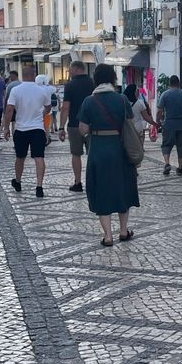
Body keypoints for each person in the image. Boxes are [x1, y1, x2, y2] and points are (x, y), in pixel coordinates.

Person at [77, 63, 139, 246]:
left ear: (95, 80)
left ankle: (107, 236)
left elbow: (83, 129)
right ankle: (123, 230)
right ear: (113, 78)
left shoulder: (89, 101)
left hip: (98, 150)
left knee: (101, 189)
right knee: (123, 188)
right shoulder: (121, 99)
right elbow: (130, 123)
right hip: (120, 149)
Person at [2, 65, 51, 198]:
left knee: (20, 157)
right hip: (38, 129)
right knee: (39, 157)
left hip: (21, 129)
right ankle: (39, 186)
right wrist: (42, 114)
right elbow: (48, 107)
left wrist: (6, 127)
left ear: (23, 75)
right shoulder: (42, 91)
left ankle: (18, 181)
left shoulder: (16, 90)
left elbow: (9, 109)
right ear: (34, 75)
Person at [58, 60, 94, 192]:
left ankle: (78, 182)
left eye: (70, 70)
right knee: (93, 154)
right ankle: (93, 182)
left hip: (74, 125)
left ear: (75, 69)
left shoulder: (70, 85)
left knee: (76, 154)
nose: (69, 72)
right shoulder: (93, 83)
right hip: (92, 125)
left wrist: (61, 127)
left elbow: (66, 107)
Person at [156, 75, 182, 176]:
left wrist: (158, 122)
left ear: (170, 83)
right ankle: (180, 168)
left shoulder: (165, 95)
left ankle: (167, 163)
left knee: (166, 145)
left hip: (169, 124)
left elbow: (159, 110)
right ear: (179, 83)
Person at [34, 74, 58, 144]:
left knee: (37, 127)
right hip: (47, 111)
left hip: (37, 111)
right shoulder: (49, 88)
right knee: (46, 126)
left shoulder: (35, 88)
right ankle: (46, 139)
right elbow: (55, 90)